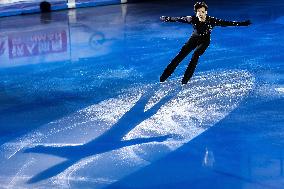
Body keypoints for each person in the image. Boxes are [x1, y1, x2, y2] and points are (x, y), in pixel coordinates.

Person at [159, 1, 251, 84]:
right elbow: (178, 19)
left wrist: (243, 23)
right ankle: (163, 78)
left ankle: (185, 81)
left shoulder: (212, 20)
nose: (200, 14)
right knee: (180, 56)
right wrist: (167, 18)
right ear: (196, 12)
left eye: (202, 11)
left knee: (195, 55)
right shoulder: (192, 19)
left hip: (204, 41)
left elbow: (228, 23)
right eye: (198, 11)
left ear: (206, 12)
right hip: (194, 39)